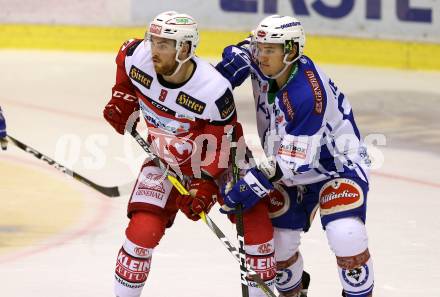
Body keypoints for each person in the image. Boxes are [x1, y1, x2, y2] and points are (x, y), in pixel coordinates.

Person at [216, 15, 374, 297]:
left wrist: (251, 184)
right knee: (279, 242)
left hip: (336, 167)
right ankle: (293, 292)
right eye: (259, 47)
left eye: (269, 49)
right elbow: (234, 55)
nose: (261, 55)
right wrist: (223, 72)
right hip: (287, 166)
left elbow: (294, 161)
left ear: (290, 51)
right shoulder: (262, 58)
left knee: (345, 233)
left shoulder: (307, 93)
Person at [103, 11, 242, 297]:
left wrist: (204, 183)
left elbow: (222, 143)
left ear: (185, 49)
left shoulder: (212, 89)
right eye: (153, 41)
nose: (154, 50)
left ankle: (289, 286)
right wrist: (123, 99)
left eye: (163, 45)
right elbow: (125, 70)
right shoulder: (136, 56)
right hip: (165, 160)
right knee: (141, 233)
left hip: (221, 162)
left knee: (258, 233)